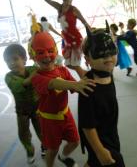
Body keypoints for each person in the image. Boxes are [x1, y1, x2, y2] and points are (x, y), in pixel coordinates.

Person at [30, 32, 95, 167]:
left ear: (56, 50)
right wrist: (75, 85)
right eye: (40, 52)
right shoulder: (36, 77)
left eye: (50, 51)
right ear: (32, 55)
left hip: (66, 114)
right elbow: (53, 83)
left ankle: (63, 156)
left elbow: (77, 85)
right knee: (52, 149)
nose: (47, 56)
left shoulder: (62, 70)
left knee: (75, 141)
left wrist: (91, 77)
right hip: (49, 120)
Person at [78, 24, 126, 167]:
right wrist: (99, 150)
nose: (108, 57)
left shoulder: (107, 74)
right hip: (99, 141)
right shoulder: (88, 86)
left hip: (110, 133)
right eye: (100, 53)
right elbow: (87, 125)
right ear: (88, 59)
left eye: (112, 52)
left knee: (93, 163)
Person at [3, 44, 44, 164]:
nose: (12, 63)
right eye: (8, 61)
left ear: (24, 59)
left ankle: (45, 146)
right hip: (22, 112)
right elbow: (22, 85)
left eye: (15, 59)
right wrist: (36, 72)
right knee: (24, 134)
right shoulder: (9, 77)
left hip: (37, 107)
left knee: (42, 130)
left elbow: (42, 70)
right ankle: (30, 151)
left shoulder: (31, 69)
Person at [43, 0, 91, 78]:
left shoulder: (74, 9)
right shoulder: (59, 7)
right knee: (68, 64)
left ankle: (85, 82)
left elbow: (85, 22)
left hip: (76, 39)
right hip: (67, 41)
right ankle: (88, 75)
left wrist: (92, 32)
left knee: (75, 65)